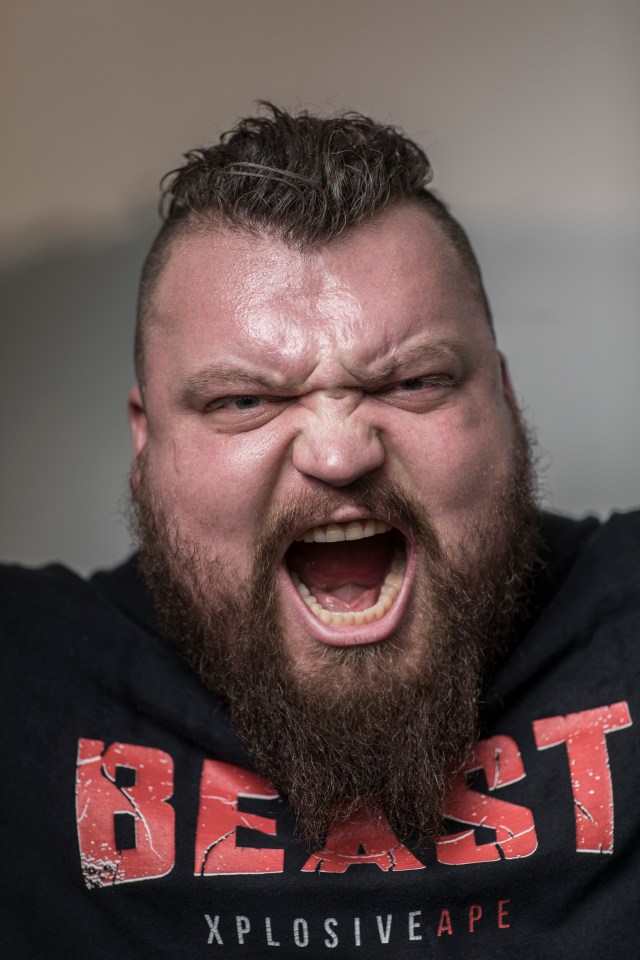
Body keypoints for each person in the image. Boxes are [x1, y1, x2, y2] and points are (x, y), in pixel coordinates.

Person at [1, 104, 638, 959]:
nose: (340, 454)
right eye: (245, 402)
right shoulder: (24, 674)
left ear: (505, 401)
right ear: (145, 443)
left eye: (413, 381)